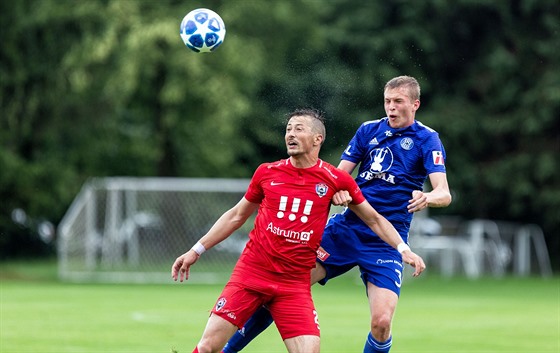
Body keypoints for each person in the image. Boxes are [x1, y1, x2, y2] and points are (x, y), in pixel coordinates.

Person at [222, 76, 452, 353]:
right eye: (387, 101)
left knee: (381, 322)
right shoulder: (369, 130)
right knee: (281, 288)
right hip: (346, 231)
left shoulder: (427, 139)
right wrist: (336, 193)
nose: (391, 107)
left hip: (386, 240)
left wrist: (427, 197)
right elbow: (336, 176)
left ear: (415, 104)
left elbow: (444, 193)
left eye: (398, 102)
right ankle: (226, 350)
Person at [172, 108, 426, 353]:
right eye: (288, 129)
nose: (290, 134)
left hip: (293, 285)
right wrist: (196, 250)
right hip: (252, 274)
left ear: (318, 138)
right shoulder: (267, 172)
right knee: (207, 347)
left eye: (299, 129)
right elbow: (236, 216)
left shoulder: (335, 180)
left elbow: (374, 220)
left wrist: (404, 249)